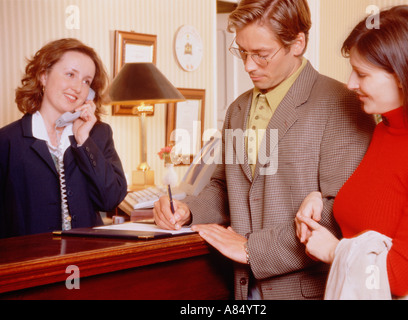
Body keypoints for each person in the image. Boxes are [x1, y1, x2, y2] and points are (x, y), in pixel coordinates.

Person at [155, 0, 375, 300]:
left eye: (260, 55)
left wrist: (251, 249)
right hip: (242, 288)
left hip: (308, 291)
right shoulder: (237, 109)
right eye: (242, 52)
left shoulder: (343, 104)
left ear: (298, 43)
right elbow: (224, 187)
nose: (248, 65)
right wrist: (187, 211)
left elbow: (340, 211)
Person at [296, 5, 408, 300]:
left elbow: (397, 277)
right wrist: (317, 199)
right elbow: (371, 221)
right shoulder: (383, 131)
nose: (351, 83)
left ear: (403, 75)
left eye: (362, 74)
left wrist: (333, 251)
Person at [0, 38, 127, 238]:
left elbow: (110, 200)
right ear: (43, 76)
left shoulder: (98, 135)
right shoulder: (7, 141)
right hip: (30, 262)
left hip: (87, 258)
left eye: (86, 81)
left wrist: (83, 140)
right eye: (70, 75)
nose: (78, 88)